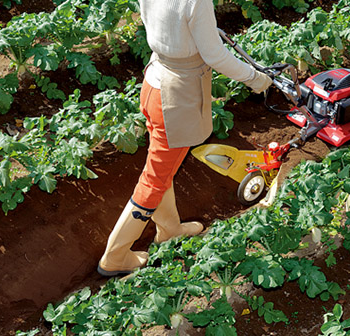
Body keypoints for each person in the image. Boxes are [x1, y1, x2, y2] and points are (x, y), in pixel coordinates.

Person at [97, 0, 273, 276]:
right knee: (153, 181)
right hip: (175, 99)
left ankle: (170, 229)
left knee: (161, 171)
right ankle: (115, 256)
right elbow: (215, 56)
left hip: (154, 82)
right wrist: (256, 78)